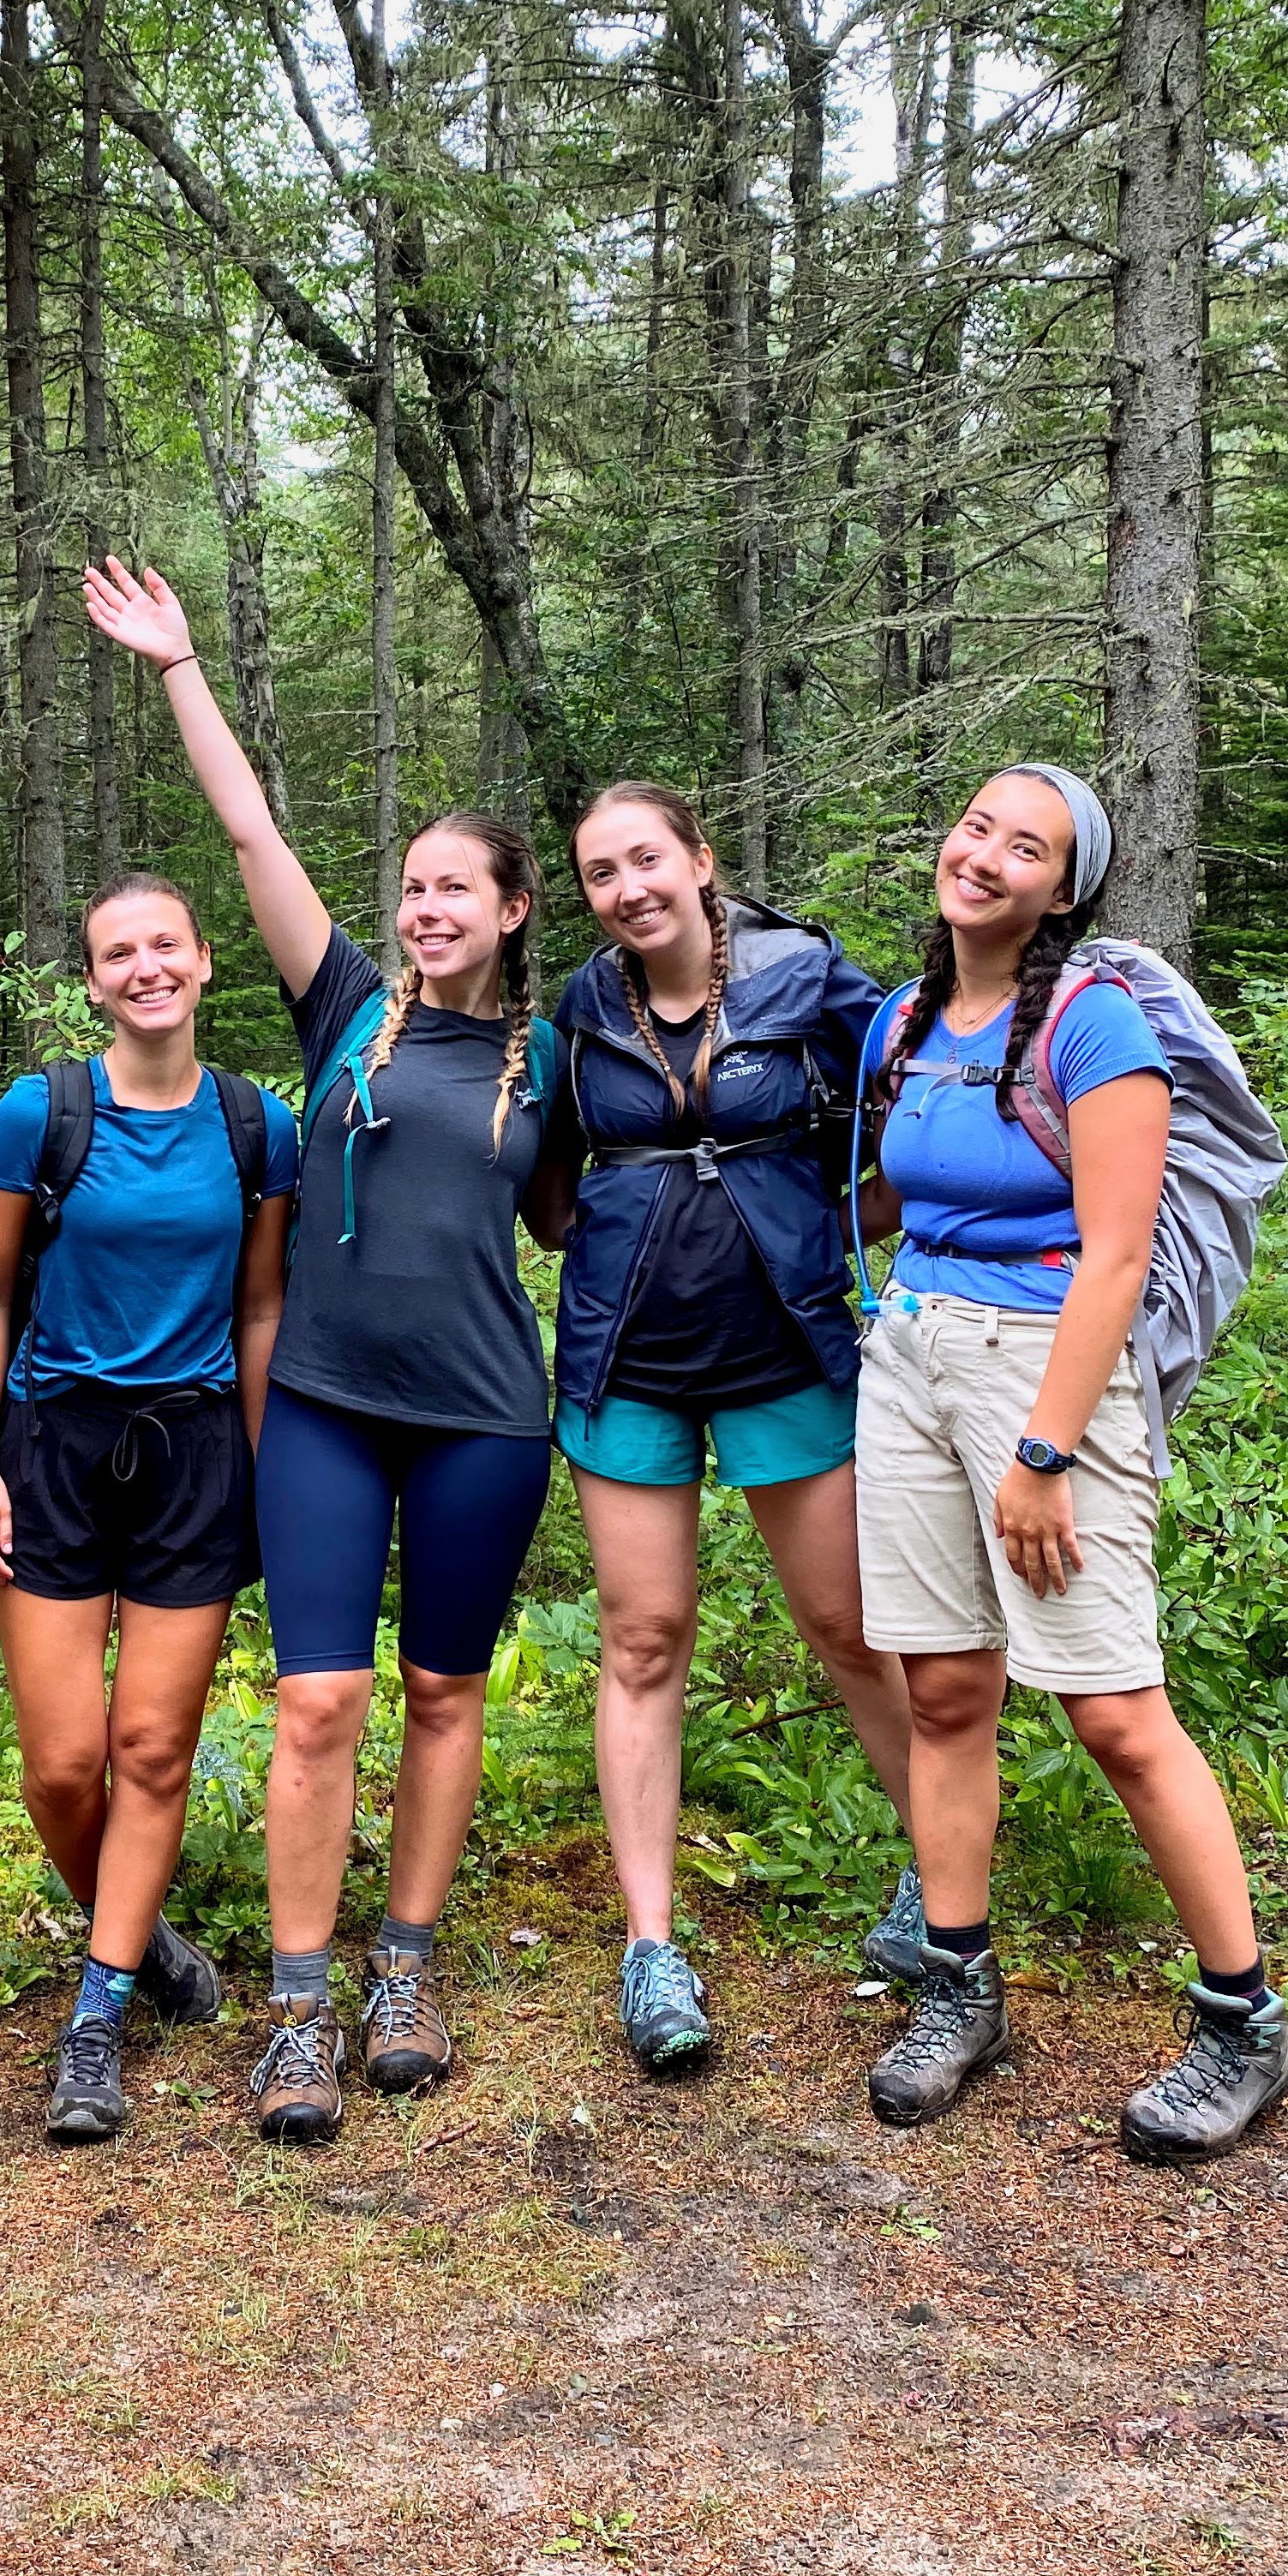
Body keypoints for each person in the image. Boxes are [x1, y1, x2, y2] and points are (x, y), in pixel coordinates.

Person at [84, 556, 562, 2146]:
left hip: (489, 1412)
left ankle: (404, 1972)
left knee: (442, 1687)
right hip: (328, 1411)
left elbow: (618, 1189)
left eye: (456, 890)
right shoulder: (348, 1012)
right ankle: (300, 2006)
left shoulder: (555, 1053)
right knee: (314, 1704)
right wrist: (176, 669)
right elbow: (249, 836)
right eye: (411, 886)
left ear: (507, 912)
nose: (426, 907)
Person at [854, 764, 1288, 2156]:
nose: (981, 856)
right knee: (942, 1695)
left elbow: (1116, 1254)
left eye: (1022, 847)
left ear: (1064, 887)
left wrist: (1043, 1450)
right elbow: (890, 1197)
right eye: (976, 825)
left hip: (1048, 1380)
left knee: (1113, 1709)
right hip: (911, 1355)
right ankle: (959, 1985)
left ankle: (1243, 2021)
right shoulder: (904, 1020)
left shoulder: (1098, 1024)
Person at [525, 783, 918, 2071]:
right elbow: (546, 1178)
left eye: (647, 860)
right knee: (643, 1640)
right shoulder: (581, 1015)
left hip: (787, 1350)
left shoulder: (810, 978)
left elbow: (917, 1112)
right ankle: (651, 1949)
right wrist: (595, 1246)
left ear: (700, 861)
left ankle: (942, 1889)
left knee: (849, 1628)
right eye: (600, 872)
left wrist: (837, 1229)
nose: (628, 888)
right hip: (628, 1359)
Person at [0, 872, 297, 2144]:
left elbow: (260, 1307)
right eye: (118, 953)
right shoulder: (39, 1115)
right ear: (93, 981)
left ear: (206, 962)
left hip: (198, 1451)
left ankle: (97, 2014)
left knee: (152, 1749)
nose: (146, 967)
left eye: (167, 945)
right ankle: (141, 1934)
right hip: (51, 1444)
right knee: (60, 1764)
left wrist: (269, 1474)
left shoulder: (259, 1125)